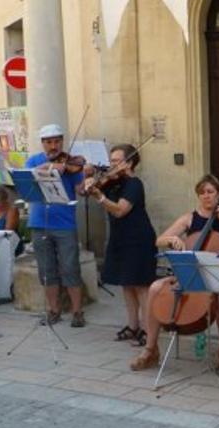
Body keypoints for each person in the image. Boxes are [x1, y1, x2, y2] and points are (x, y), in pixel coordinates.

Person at [129, 174, 219, 372]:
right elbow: (159, 240)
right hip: (190, 274)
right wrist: (172, 240)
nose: (206, 196)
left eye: (210, 192)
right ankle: (150, 349)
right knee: (154, 287)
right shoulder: (189, 218)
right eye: (202, 193)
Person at [82, 143, 157, 346]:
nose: (111, 165)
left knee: (141, 286)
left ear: (129, 162)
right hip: (120, 237)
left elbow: (120, 210)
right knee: (126, 284)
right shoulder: (113, 182)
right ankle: (133, 326)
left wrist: (100, 197)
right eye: (111, 161)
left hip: (138, 239)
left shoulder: (134, 184)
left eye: (116, 161)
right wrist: (89, 180)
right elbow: (85, 190)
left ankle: (148, 331)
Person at [22, 124, 86, 327]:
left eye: (57, 141)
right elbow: (26, 175)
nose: (53, 146)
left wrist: (86, 182)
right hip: (39, 222)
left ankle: (77, 312)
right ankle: (53, 310)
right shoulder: (34, 161)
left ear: (62, 142)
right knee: (47, 270)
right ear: (43, 144)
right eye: (49, 142)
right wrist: (50, 167)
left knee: (70, 268)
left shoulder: (71, 164)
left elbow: (80, 189)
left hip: (65, 224)